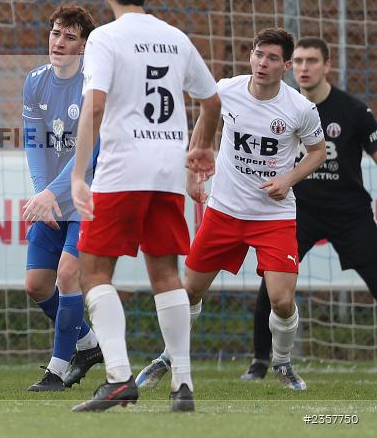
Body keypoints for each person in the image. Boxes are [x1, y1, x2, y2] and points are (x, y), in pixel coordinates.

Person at [69, 0, 222, 413]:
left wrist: (79, 175)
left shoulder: (105, 37)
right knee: (165, 272)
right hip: (167, 170)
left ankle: (118, 377)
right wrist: (202, 148)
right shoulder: (174, 37)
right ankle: (182, 385)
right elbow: (212, 102)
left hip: (123, 169)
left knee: (92, 271)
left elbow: (94, 108)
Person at [136, 28, 327, 393]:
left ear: (285, 66)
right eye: (258, 54)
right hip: (224, 210)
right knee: (188, 292)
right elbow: (205, 126)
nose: (262, 63)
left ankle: (283, 362)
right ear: (250, 56)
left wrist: (289, 178)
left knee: (282, 300)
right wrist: (194, 174)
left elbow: (317, 152)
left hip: (273, 215)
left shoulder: (299, 109)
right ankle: (169, 355)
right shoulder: (226, 90)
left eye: (272, 58)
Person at [240, 37, 377, 381]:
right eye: (298, 61)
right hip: (298, 211)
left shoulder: (355, 112)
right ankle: (260, 361)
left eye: (311, 61)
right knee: (272, 285)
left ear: (326, 66)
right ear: (290, 66)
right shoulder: (279, 106)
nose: (303, 68)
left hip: (350, 212)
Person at [21, 4, 103, 391]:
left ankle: (56, 371)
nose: (59, 42)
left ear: (83, 46)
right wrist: (43, 194)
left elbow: (90, 158)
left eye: (70, 37)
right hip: (52, 198)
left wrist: (51, 194)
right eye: (56, 33)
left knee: (69, 275)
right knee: (37, 285)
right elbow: (35, 141)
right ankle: (88, 344)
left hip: (88, 198)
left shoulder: (93, 85)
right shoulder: (35, 81)